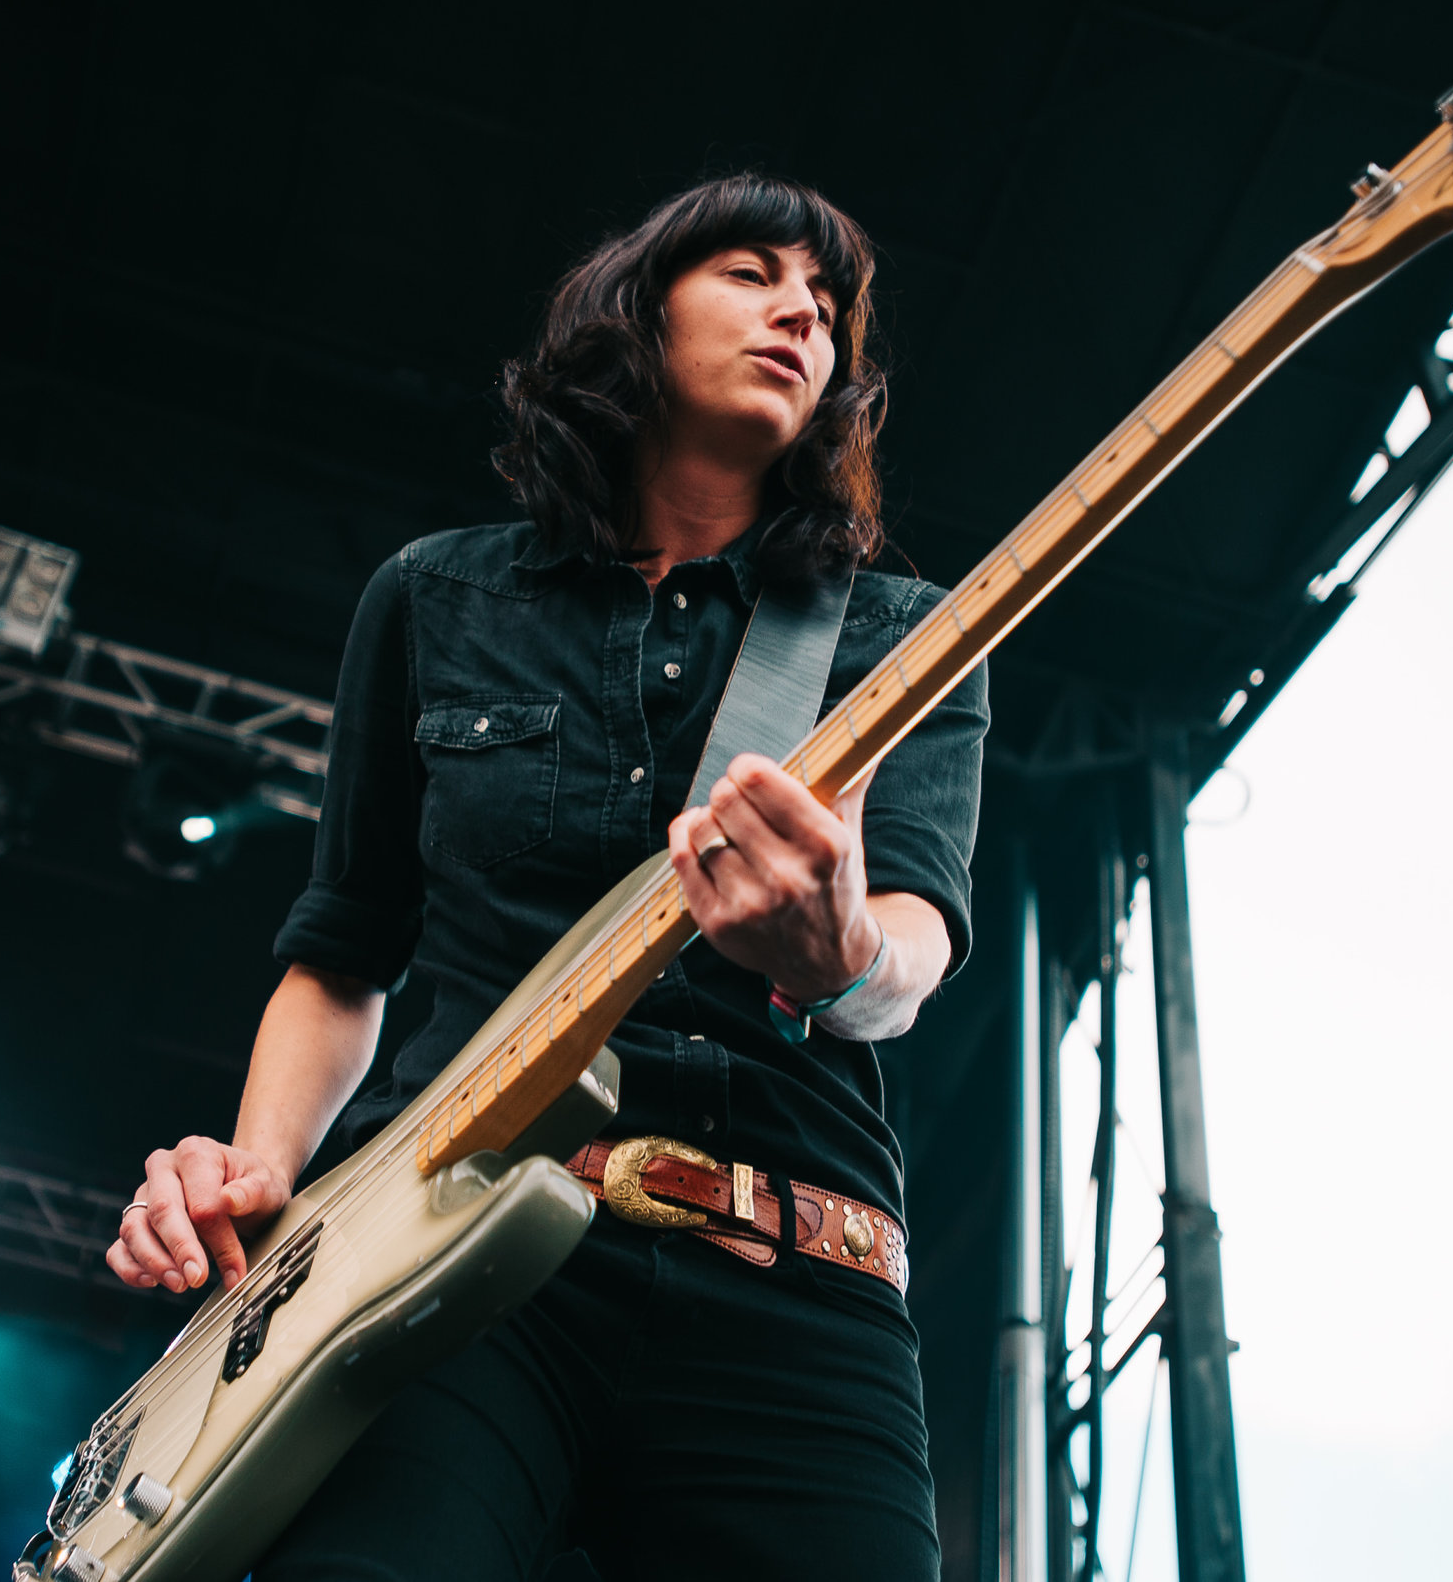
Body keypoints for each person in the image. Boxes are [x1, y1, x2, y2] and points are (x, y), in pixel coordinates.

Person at [106, 174, 988, 1581]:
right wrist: (256, 1170)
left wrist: (839, 958)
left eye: (826, 308)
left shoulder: (904, 631)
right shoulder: (435, 597)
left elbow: (912, 952)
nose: (800, 315)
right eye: (753, 274)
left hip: (795, 1279)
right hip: (447, 1255)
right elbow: (345, 949)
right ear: (637, 313)